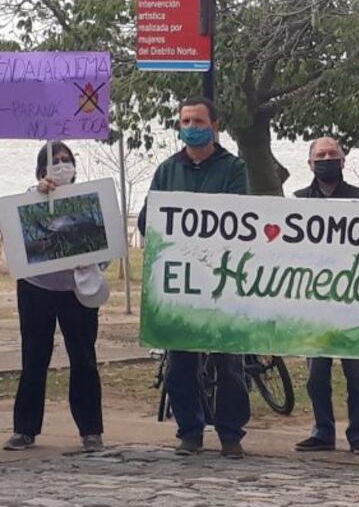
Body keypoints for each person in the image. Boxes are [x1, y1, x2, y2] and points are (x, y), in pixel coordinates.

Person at [137, 97, 250, 459]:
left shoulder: (234, 168)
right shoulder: (168, 170)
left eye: (199, 120)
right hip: (181, 280)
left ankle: (231, 434)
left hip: (223, 280)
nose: (191, 125)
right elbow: (148, 218)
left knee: (229, 362)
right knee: (180, 362)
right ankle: (190, 430)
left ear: (215, 125)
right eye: (185, 120)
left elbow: (239, 216)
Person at [3, 142, 105, 453]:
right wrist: (38, 193)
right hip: (37, 288)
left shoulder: (90, 204)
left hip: (77, 289)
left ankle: (91, 430)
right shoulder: (31, 199)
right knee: (34, 358)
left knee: (84, 359)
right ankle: (25, 429)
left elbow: (105, 247)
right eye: (54, 162)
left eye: (67, 160)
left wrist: (93, 263)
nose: (61, 166)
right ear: (41, 170)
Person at [293, 137, 359, 455]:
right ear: (310, 163)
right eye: (320, 155)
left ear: (343, 160)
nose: (327, 159)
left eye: (332, 154)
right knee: (316, 374)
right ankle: (323, 431)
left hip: (353, 301)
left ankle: (358, 435)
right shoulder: (297, 200)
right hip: (315, 301)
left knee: (357, 375)